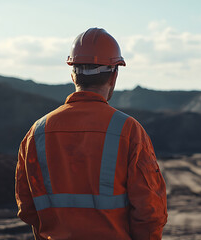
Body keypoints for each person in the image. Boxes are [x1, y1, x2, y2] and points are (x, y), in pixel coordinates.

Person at [15, 28, 167, 240]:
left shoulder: (37, 133)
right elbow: (149, 210)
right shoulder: (129, 131)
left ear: (72, 74)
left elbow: (28, 208)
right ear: (114, 75)